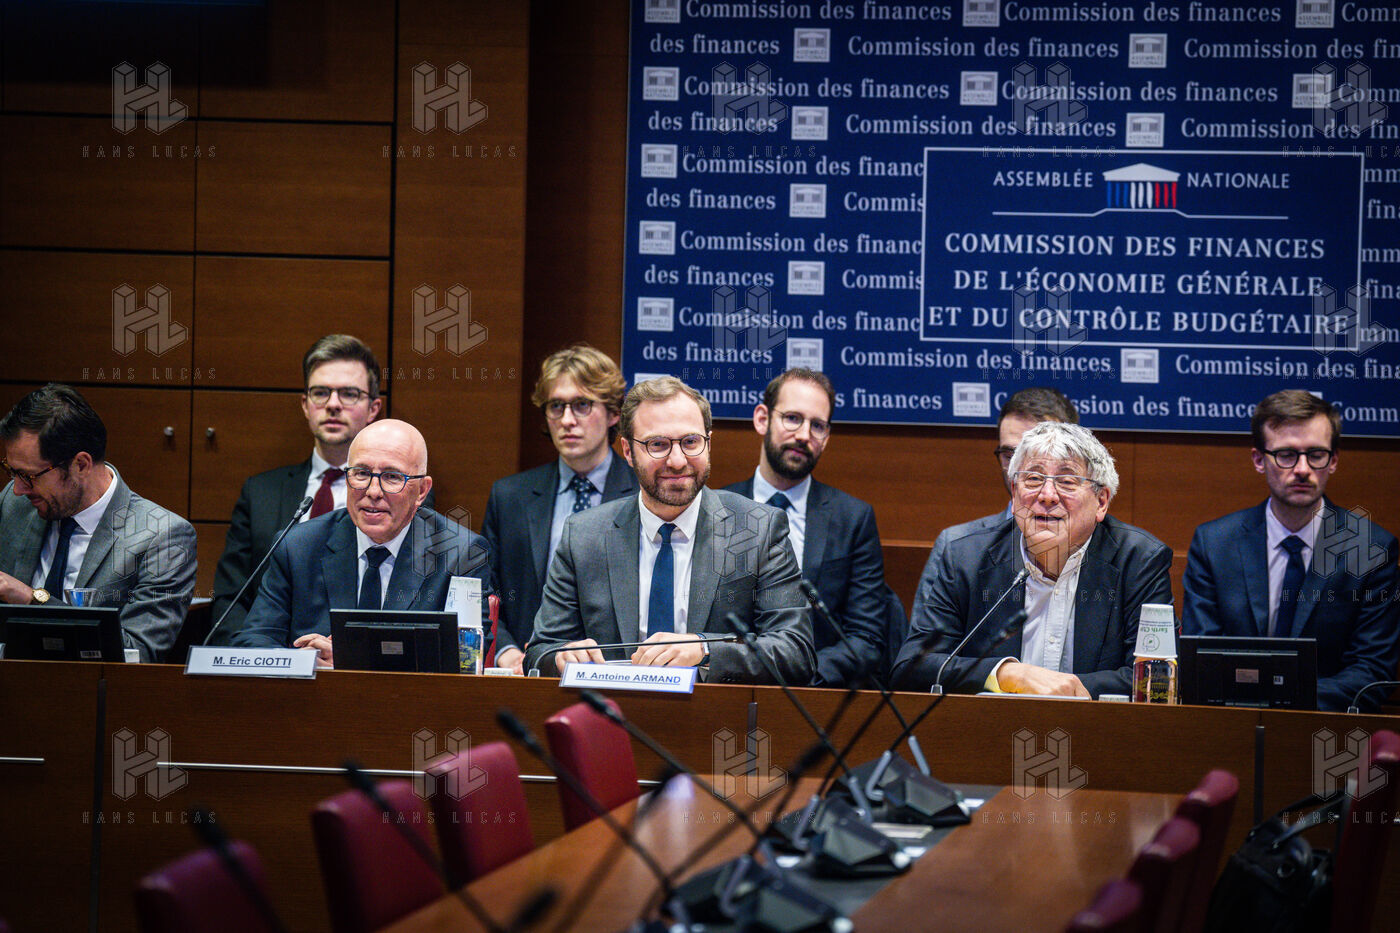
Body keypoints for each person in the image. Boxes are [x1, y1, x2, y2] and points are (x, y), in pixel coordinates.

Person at [524, 377, 814, 684]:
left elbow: (795, 653)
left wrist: (704, 650)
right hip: (610, 709)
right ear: (628, 451)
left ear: (708, 443)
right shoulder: (584, 536)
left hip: (713, 711)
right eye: (658, 445)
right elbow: (540, 651)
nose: (677, 461)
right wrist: (562, 657)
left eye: (690, 442)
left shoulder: (758, 530)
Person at [892, 421, 1172, 698]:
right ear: (1015, 494)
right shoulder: (966, 559)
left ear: (1101, 502)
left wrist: (1064, 690)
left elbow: (1155, 678)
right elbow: (911, 668)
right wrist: (1006, 674)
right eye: (1034, 479)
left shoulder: (1139, 561)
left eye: (1067, 481)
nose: (1047, 496)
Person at [211, 335, 441, 642]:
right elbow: (232, 599)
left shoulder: (403, 492)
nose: (333, 405)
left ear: (373, 408)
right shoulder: (260, 492)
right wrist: (254, 658)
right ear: (305, 405)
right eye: (321, 393)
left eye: (348, 394)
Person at [1182, 390, 1399, 712]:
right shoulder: (1214, 544)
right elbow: (1202, 658)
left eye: (1316, 454)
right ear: (1259, 460)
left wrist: (1283, 705)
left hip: (1327, 723)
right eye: (1286, 455)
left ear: (1333, 460)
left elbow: (1372, 671)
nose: (1302, 469)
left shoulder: (1371, 549)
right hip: (1232, 722)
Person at [231, 419, 492, 667]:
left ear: (422, 490)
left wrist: (350, 660)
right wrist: (303, 662)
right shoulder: (297, 547)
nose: (373, 491)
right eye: (361, 473)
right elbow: (253, 642)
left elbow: (466, 658)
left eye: (392, 477)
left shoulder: (460, 553)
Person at [0, 383, 196, 661]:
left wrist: (31, 598)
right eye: (12, 472)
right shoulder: (14, 504)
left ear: (81, 464)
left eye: (29, 476)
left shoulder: (161, 536)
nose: (18, 488)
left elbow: (137, 651)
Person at [723, 369, 890, 687]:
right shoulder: (716, 509)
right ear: (762, 419)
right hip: (727, 686)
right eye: (792, 418)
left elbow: (866, 638)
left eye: (817, 425)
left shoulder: (852, 519)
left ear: (826, 438)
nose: (803, 435)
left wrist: (801, 674)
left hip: (813, 692)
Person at [482, 345, 635, 674]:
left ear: (613, 413)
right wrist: (506, 651)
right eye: (556, 406)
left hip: (617, 671)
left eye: (582, 405)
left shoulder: (641, 492)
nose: (567, 420)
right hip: (528, 671)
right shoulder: (510, 496)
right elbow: (485, 588)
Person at [912, 387, 1079, 632]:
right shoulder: (958, 547)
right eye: (1010, 455)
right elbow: (924, 651)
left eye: (1036, 454)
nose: (1019, 469)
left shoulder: (1109, 549)